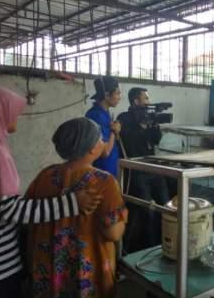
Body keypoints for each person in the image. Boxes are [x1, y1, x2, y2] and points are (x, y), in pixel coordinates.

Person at [0, 86, 100, 297]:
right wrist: (72, 203)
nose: (17, 117)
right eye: (13, 111)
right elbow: (8, 209)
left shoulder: (44, 174)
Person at [25, 117, 127, 297]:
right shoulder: (105, 181)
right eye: (100, 139)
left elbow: (29, 215)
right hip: (87, 270)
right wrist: (123, 217)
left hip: (48, 268)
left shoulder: (45, 175)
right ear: (91, 148)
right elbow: (113, 233)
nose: (103, 142)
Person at [117, 88, 169, 252]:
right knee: (148, 211)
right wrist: (141, 125)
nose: (148, 101)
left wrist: (153, 124)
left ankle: (165, 243)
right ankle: (149, 249)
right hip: (137, 171)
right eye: (145, 98)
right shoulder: (124, 118)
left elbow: (156, 140)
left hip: (153, 168)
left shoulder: (151, 117)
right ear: (136, 101)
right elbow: (129, 141)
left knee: (167, 206)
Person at [85, 77, 122, 177]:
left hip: (111, 168)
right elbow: (105, 152)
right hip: (102, 171)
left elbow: (111, 140)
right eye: (117, 93)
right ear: (106, 95)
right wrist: (114, 132)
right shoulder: (96, 115)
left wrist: (115, 132)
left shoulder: (105, 112)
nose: (119, 97)